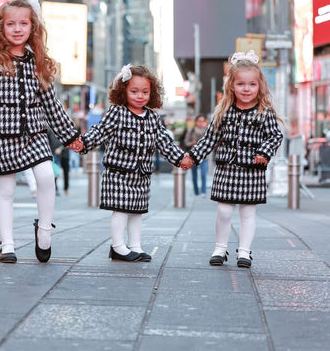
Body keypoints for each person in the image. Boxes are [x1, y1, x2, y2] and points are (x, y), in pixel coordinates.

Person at [0, 0, 81, 264]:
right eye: (11, 24)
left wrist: (70, 136)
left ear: (33, 28)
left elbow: (51, 104)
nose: (17, 29)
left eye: (23, 24)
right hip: (3, 137)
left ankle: (44, 229)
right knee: (5, 190)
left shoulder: (37, 61)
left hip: (35, 134)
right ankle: (7, 244)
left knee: (46, 178)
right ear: (1, 27)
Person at [181, 50, 283, 269]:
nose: (246, 89)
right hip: (227, 169)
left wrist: (264, 152)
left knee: (248, 213)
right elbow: (209, 139)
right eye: (241, 84)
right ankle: (220, 247)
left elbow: (275, 135)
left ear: (260, 86)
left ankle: (244, 252)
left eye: (252, 85)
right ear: (231, 86)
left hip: (252, 169)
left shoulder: (264, 112)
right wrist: (192, 157)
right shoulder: (224, 111)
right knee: (224, 210)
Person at [75, 64, 187, 262]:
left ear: (152, 93)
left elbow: (164, 141)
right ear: (123, 91)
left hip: (141, 174)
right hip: (118, 172)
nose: (140, 96)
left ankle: (135, 245)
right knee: (121, 209)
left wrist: (180, 159)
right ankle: (118, 246)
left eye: (145, 92)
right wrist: (82, 144)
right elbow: (100, 132)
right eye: (134, 91)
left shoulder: (152, 117)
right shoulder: (117, 113)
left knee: (137, 210)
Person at [183, 114, 209, 196]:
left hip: (204, 157)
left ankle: (203, 191)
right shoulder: (191, 131)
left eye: (202, 121)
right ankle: (196, 191)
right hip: (193, 157)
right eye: (199, 121)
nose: (201, 123)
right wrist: (192, 143)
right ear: (196, 122)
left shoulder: (207, 131)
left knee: (203, 174)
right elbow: (186, 142)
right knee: (194, 175)